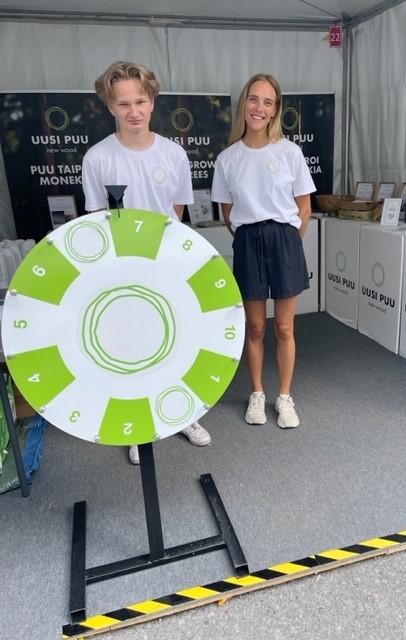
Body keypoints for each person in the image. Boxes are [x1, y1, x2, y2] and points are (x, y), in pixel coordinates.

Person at [82, 61, 211, 463]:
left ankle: (182, 413)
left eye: (140, 101)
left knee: (175, 341)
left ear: (153, 101)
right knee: (130, 349)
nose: (133, 111)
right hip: (120, 273)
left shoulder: (173, 154)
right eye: (123, 104)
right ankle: (140, 425)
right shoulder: (97, 158)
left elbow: (176, 213)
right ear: (110, 106)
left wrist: (161, 259)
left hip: (166, 267)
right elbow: (97, 220)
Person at [211, 73, 315, 429]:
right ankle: (257, 392)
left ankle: (284, 396)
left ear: (275, 110)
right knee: (255, 327)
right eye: (254, 99)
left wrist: (287, 242)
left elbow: (304, 208)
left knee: (284, 327)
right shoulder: (227, 158)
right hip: (247, 241)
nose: (259, 107)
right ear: (244, 103)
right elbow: (228, 214)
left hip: (285, 239)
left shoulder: (289, 152)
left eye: (267, 102)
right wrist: (251, 237)